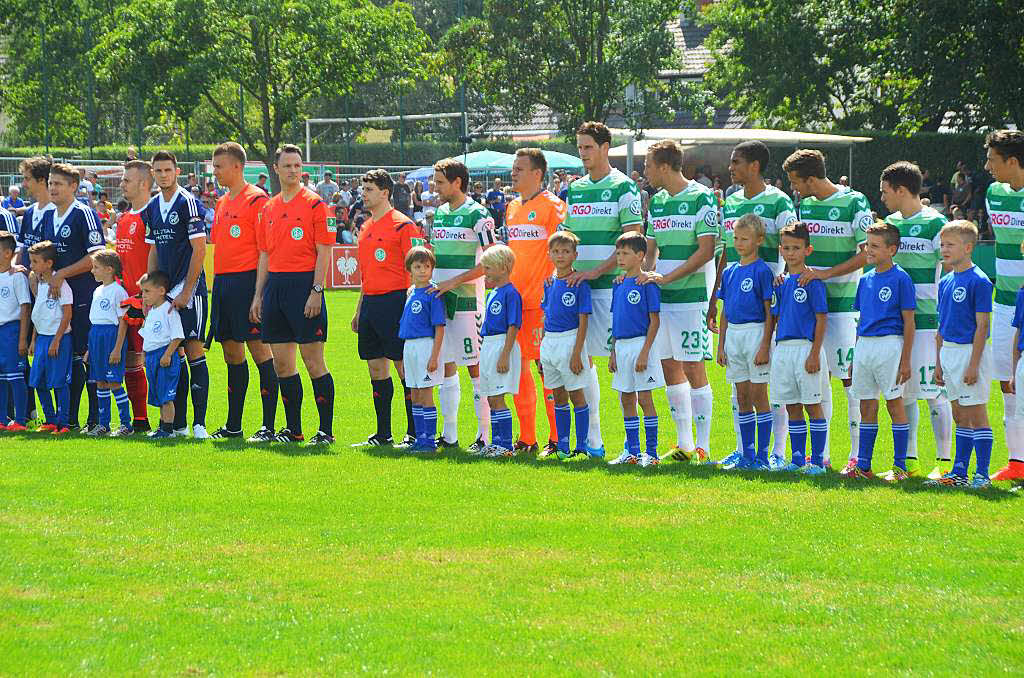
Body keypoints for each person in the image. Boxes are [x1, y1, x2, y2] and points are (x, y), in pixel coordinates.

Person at [784, 149, 874, 473]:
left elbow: (867, 255)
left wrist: (825, 274)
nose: (793, 188)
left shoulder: (854, 202)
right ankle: (820, 456)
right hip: (810, 307)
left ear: (810, 179)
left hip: (843, 307)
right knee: (818, 380)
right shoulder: (806, 205)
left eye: (795, 182)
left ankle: (855, 456)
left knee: (850, 381)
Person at [711, 140, 795, 467]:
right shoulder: (730, 202)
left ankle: (772, 452)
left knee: (765, 389)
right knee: (740, 390)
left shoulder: (779, 200)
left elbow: (792, 244)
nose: (730, 168)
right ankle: (744, 450)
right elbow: (725, 254)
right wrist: (713, 302)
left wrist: (783, 282)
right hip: (736, 310)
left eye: (736, 162)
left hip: (764, 307)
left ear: (754, 166)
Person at [564, 121, 644, 457]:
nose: (583, 154)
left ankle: (635, 445)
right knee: (582, 361)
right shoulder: (576, 189)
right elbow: (567, 239)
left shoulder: (624, 188)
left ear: (605, 147)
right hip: (579, 291)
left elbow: (634, 239)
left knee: (624, 365)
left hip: (612, 290)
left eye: (588, 147)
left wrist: (596, 270)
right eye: (579, 148)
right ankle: (593, 441)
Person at [251, 144, 335, 446]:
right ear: (276, 169)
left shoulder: (315, 205)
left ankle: (325, 431)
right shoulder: (268, 208)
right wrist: (258, 296)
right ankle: (294, 429)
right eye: (287, 165)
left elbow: (324, 250)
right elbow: (263, 254)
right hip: (275, 287)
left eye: (297, 165)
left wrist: (316, 290)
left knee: (313, 362)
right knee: (282, 365)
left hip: (304, 287)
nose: (292, 170)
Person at [642, 140, 717, 464]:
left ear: (662, 166)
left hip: (691, 299)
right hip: (664, 299)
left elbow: (707, 250)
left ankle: (704, 446)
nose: (645, 172)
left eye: (647, 166)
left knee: (693, 367)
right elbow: (650, 248)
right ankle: (684, 445)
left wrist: (668, 278)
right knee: (670, 365)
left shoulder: (701, 197)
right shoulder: (657, 202)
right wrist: (643, 275)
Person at [880, 161, 954, 479]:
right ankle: (907, 462)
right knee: (903, 391)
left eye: (885, 192)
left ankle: (946, 464)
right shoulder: (890, 224)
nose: (881, 197)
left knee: (934, 391)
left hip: (927, 322)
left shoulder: (935, 223)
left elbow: (950, 269)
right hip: (896, 324)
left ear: (901, 190)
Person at [207, 142, 279, 441]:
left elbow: (266, 248)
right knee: (230, 352)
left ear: (237, 167)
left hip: (248, 281)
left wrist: (259, 293)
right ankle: (234, 426)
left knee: (260, 350)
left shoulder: (257, 200)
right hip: (223, 283)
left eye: (219, 166)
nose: (215, 172)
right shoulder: (222, 202)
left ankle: (268, 426)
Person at [352, 169, 424, 446]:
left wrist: (413, 306)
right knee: (375, 368)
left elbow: (418, 270)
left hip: (396, 301)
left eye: (369, 190)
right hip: (371, 303)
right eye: (363, 189)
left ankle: (414, 432)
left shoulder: (403, 226)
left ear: (385, 192)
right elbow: (366, 274)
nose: (364, 194)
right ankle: (383, 434)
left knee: (403, 368)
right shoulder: (365, 227)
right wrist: (360, 309)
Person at [429, 158, 496, 451]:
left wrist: (454, 283)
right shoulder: (440, 213)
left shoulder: (479, 214)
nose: (435, 187)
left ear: (457, 182)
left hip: (468, 302)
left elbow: (494, 261)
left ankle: (484, 436)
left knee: (475, 368)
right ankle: (450, 433)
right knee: (445, 366)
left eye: (440, 182)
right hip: (440, 301)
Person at [143, 150, 210, 439]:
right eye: (158, 171)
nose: (163, 175)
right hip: (164, 293)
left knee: (193, 351)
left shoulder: (188, 203)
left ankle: (200, 425)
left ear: (177, 171)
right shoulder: (152, 207)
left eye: (167, 170)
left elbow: (200, 250)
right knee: (171, 355)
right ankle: (178, 424)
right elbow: (154, 249)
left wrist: (187, 291)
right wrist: (149, 293)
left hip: (188, 291)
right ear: (153, 173)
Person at [505, 148, 566, 455]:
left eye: (520, 169)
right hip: (515, 303)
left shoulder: (553, 207)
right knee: (518, 371)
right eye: (513, 168)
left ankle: (557, 439)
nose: (513, 173)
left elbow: (563, 252)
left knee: (548, 371)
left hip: (542, 303)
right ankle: (527, 438)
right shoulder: (512, 207)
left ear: (537, 174)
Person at [925, 221, 994, 489]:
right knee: (959, 415)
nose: (944, 249)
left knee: (976, 413)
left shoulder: (979, 281)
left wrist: (974, 365)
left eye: (950, 244)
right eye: (942, 244)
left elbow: (982, 326)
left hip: (969, 353)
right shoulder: (944, 282)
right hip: (950, 354)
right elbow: (941, 326)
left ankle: (982, 474)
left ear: (967, 247)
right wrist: (939, 363)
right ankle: (959, 472)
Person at [847, 223, 916, 480]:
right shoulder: (865, 279)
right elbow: (862, 318)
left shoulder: (901, 279)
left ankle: (900, 467)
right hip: (865, 345)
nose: (869, 250)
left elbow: (909, 321)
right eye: (867, 244)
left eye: (875, 246)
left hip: (889, 345)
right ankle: (864, 467)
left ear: (892, 249)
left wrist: (906, 360)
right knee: (866, 405)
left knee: (894, 405)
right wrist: (855, 356)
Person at [46, 163, 105, 432]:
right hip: (56, 299)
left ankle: (94, 419)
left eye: (58, 183)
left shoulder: (85, 214)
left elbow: (96, 256)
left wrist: (62, 274)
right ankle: (68, 418)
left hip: (83, 296)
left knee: (85, 355)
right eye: (50, 183)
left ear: (74, 186)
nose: (52, 188)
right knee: (66, 357)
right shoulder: (48, 216)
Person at [767, 223, 829, 474]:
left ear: (808, 250)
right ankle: (796, 459)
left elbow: (822, 319)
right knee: (791, 405)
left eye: (796, 248)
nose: (791, 253)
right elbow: (775, 316)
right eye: (787, 248)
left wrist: (814, 353)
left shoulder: (813, 282)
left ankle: (817, 462)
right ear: (780, 250)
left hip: (806, 349)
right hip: (783, 349)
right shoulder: (780, 283)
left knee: (812, 405)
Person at [716, 214, 775, 470]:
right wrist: (721, 344)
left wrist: (764, 344)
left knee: (758, 395)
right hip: (734, 337)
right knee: (741, 396)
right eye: (736, 238)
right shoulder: (729, 272)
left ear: (759, 240)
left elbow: (769, 312)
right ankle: (746, 454)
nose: (739, 243)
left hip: (755, 333)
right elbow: (726, 310)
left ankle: (762, 456)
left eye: (745, 238)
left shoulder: (763, 271)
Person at [982, 130, 1024, 481]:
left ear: (1013, 161)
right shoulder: (993, 193)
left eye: (993, 160)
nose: (987, 167)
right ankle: (1016, 462)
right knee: (1006, 382)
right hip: (1004, 301)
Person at [607, 231, 662, 467]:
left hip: (641, 345)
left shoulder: (647, 284)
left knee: (645, 399)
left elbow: (655, 321)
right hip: (622, 348)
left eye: (625, 253)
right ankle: (632, 451)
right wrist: (613, 352)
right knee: (626, 398)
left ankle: (651, 453)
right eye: (618, 253)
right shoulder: (617, 284)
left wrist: (645, 352)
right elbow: (616, 322)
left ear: (640, 256)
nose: (620, 258)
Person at [539, 231, 591, 460]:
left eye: (566, 251)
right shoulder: (548, 282)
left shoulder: (579, 283)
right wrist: (542, 347)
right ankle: (562, 446)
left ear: (574, 255)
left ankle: (581, 447)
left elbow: (583, 320)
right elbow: (545, 316)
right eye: (556, 251)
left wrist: (577, 353)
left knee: (576, 395)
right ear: (549, 254)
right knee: (558, 396)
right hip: (549, 342)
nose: (560, 256)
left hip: (570, 341)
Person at [114, 160, 155, 433]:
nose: (122, 184)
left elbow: (157, 259)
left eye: (127, 180)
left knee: (158, 360)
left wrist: (149, 296)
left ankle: (173, 421)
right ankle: (140, 421)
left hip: (148, 302)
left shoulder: (152, 216)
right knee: (130, 361)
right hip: (126, 302)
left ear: (142, 183)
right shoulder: (124, 219)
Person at [476, 245, 523, 458]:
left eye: (488, 268)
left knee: (498, 396)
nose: (485, 272)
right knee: (491, 398)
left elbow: (513, 325)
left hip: (502, 345)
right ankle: (496, 443)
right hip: (489, 344)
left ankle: (505, 446)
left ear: (503, 268)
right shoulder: (492, 293)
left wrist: (505, 353)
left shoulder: (511, 294)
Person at [398, 246, 446, 452]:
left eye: (426, 266)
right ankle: (420, 437)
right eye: (417, 266)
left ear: (432, 268)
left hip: (426, 345)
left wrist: (434, 357)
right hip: (410, 347)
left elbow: (440, 328)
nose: (422, 270)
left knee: (426, 394)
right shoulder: (411, 292)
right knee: (415, 393)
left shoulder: (433, 294)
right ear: (409, 269)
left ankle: (429, 440)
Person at [84, 250, 132, 437]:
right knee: (101, 382)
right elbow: (95, 320)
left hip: (111, 337)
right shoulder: (97, 290)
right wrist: (90, 349)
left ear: (109, 269)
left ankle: (126, 424)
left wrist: (117, 348)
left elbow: (123, 321)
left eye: (96, 267)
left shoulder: (119, 292)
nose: (92, 271)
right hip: (96, 336)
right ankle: (104, 425)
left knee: (113, 382)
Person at [28, 241, 73, 434]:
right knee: (38, 380)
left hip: (58, 339)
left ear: (48, 263)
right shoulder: (40, 282)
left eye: (35, 261)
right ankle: (50, 420)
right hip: (41, 339)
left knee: (58, 381)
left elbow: (67, 315)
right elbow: (38, 314)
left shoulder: (61, 284)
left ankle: (64, 424)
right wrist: (33, 340)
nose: (32, 265)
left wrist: (56, 340)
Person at [138, 271, 184, 439]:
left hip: (164, 356)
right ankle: (162, 426)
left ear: (161, 291)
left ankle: (168, 429)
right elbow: (147, 335)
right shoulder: (151, 312)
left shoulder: (169, 310)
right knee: (157, 393)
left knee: (166, 395)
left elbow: (177, 335)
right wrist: (143, 355)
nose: (144, 296)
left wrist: (167, 355)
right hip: (151, 357)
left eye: (147, 291)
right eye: (142, 292)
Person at [0, 231, 31, 431]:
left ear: (7, 253)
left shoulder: (17, 277)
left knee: (16, 377)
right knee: (1, 378)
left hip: (12, 330)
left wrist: (22, 339)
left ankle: (21, 420)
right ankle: (2, 419)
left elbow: (25, 307)